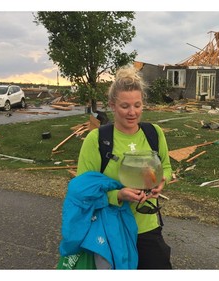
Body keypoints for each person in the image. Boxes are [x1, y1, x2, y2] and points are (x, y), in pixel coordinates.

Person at [74, 65, 173, 269]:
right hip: (111, 228)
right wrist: (118, 196)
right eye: (125, 106)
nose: (132, 112)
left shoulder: (154, 133)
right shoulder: (97, 140)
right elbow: (83, 189)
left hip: (147, 225)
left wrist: (162, 181)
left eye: (137, 105)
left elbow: (166, 167)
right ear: (112, 105)